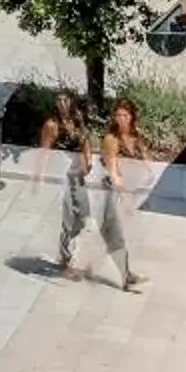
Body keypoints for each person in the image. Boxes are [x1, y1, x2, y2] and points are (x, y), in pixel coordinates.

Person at [61, 101, 145, 290]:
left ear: (132, 116)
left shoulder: (133, 136)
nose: (121, 119)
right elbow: (112, 170)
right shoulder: (111, 139)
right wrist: (123, 195)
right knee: (112, 235)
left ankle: (125, 274)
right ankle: (123, 279)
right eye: (118, 115)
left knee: (114, 237)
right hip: (107, 193)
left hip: (118, 192)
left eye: (125, 115)